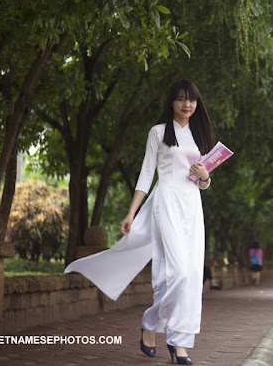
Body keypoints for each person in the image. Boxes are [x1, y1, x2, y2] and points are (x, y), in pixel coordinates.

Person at [65, 79, 215, 365]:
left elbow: (204, 181)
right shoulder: (158, 133)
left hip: (193, 207)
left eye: (192, 100)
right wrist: (131, 212)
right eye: (182, 99)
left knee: (193, 275)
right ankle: (150, 321)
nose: (187, 104)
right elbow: (147, 175)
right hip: (166, 201)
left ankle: (179, 342)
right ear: (172, 102)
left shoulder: (199, 137)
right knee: (178, 273)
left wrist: (204, 175)